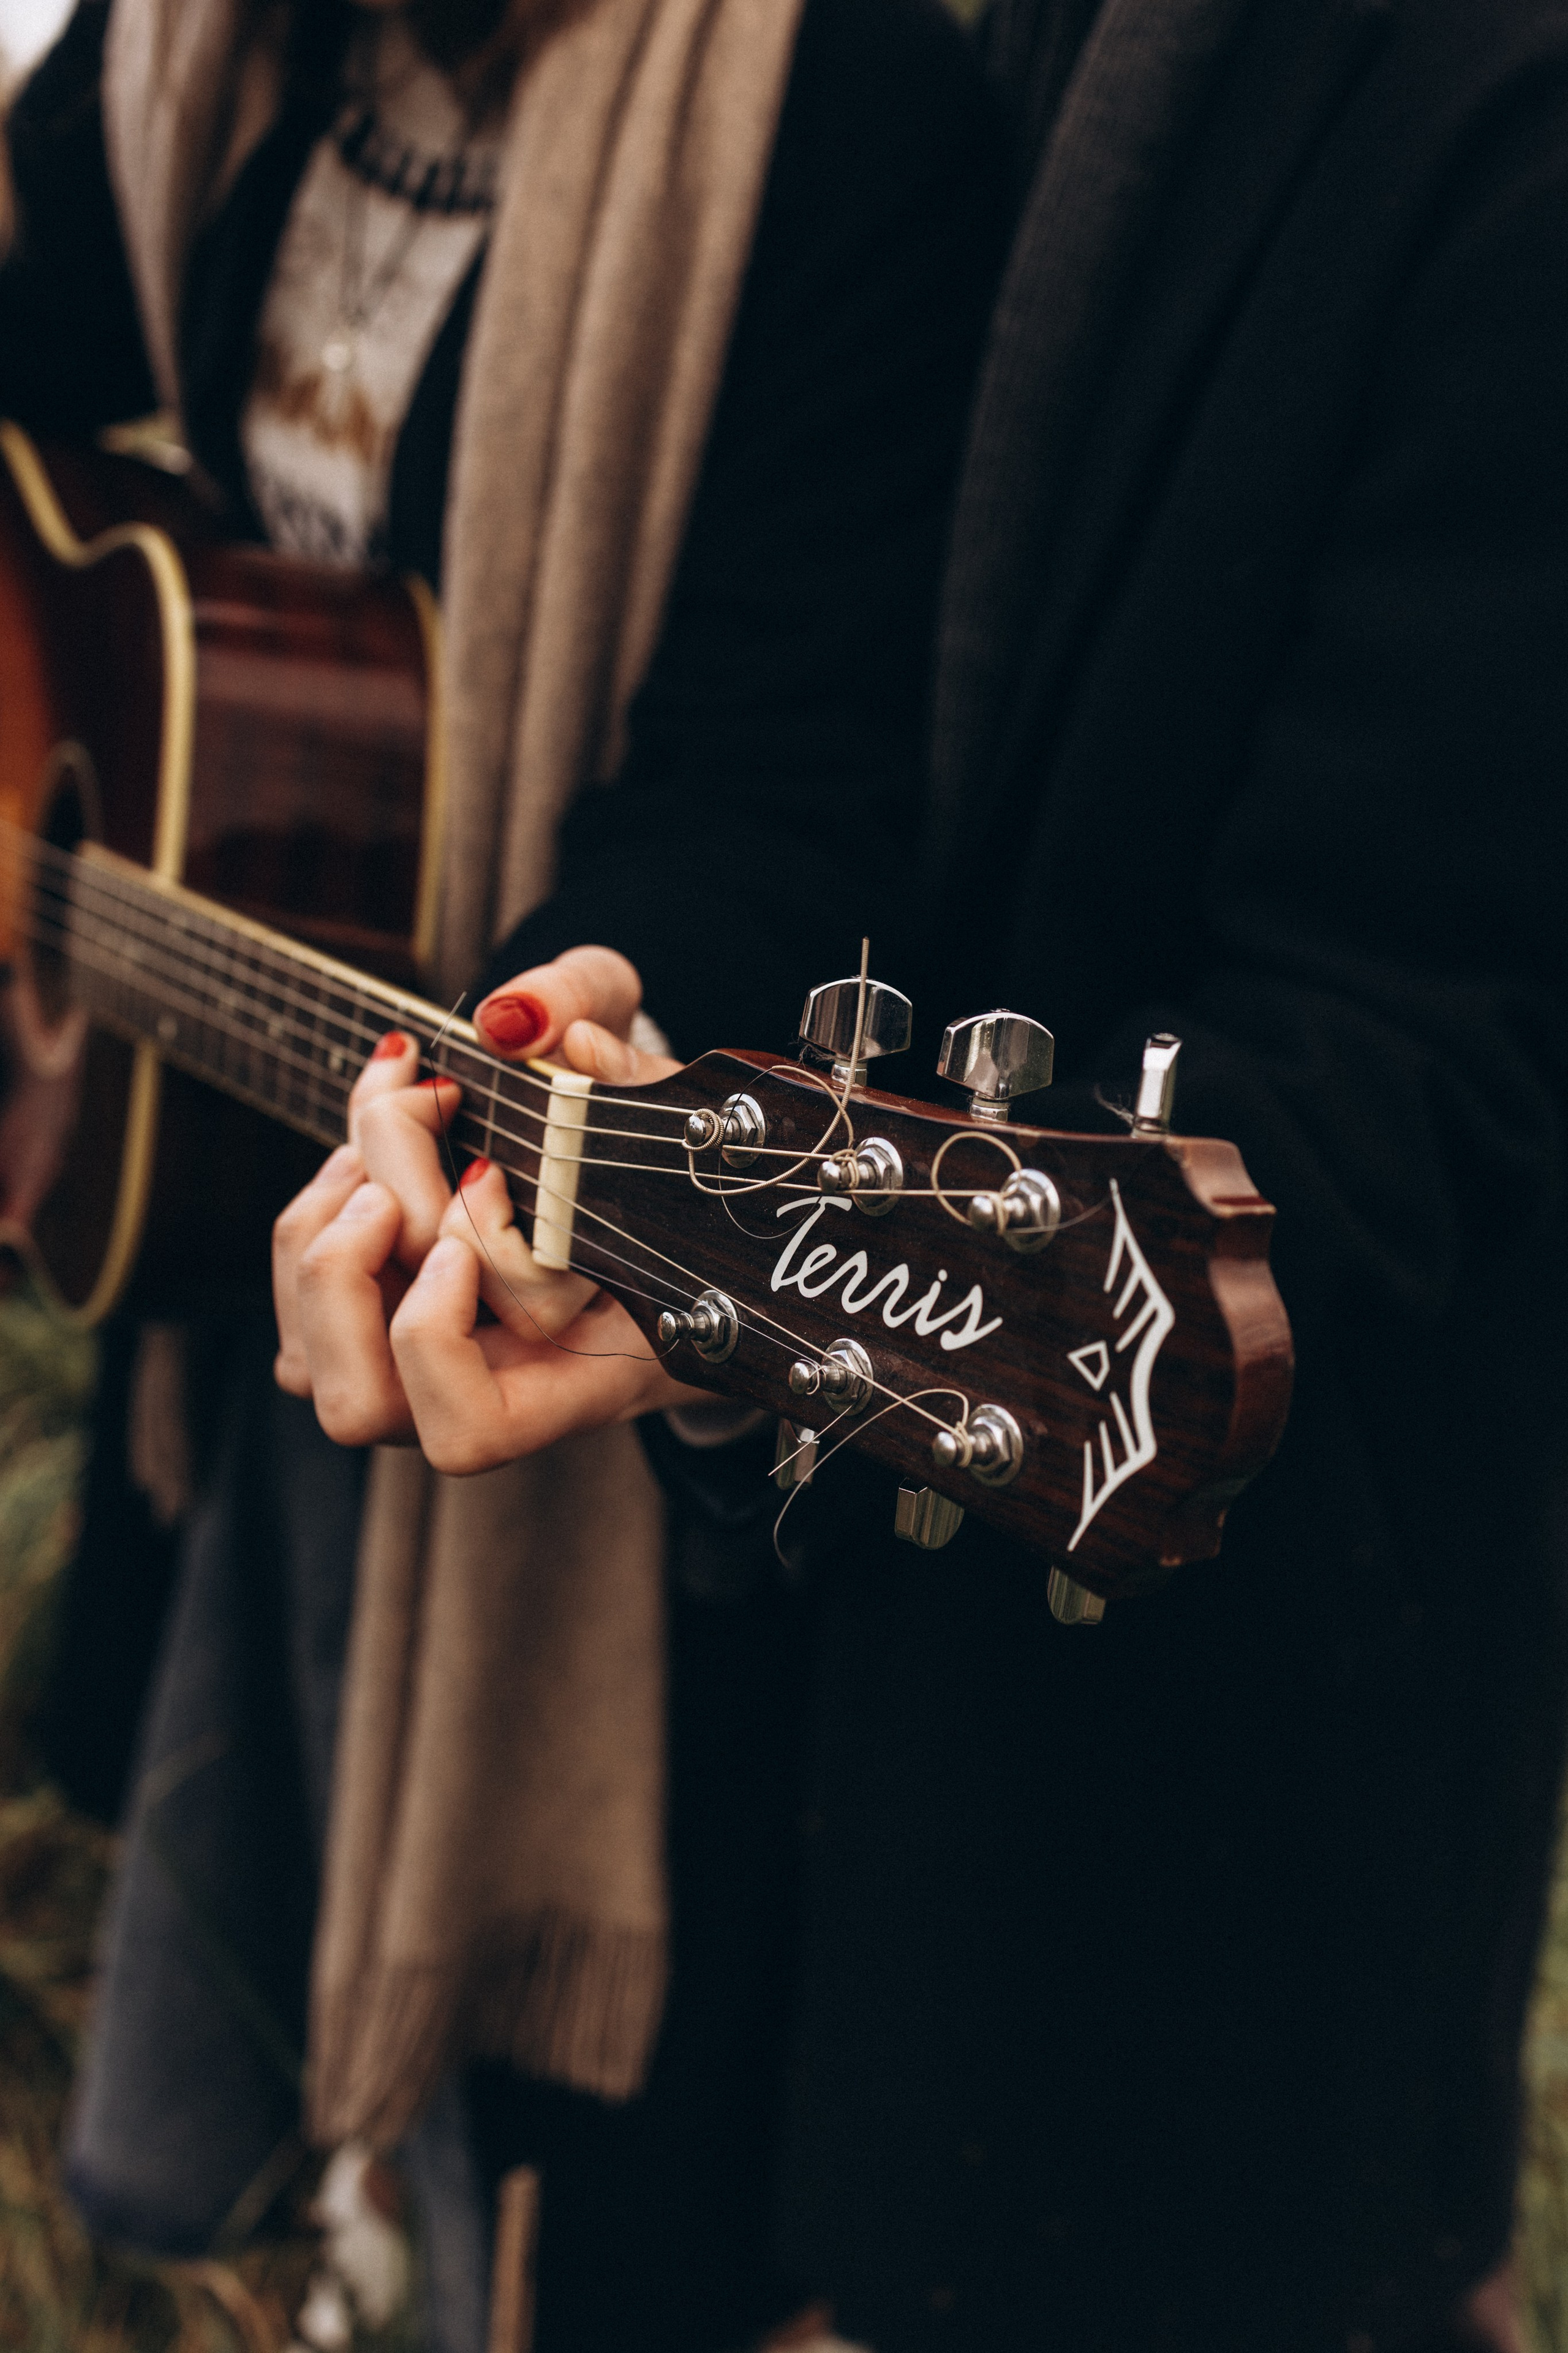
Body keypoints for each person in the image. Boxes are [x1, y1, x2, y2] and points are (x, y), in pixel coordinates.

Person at [276, 0, 1568, 2345]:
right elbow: (804, 725)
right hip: (758, 1692)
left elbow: (1422, 1039)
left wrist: (798, 1266)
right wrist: (632, 1052)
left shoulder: (1497, 111)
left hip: (1212, 1763)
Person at [0, 1, 1011, 2346]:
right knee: (278, 1972)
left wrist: (602, 1010)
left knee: (559, 2205)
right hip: (241, 1259)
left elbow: (786, 765)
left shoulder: (840, 115)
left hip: (548, 1324)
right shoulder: (199, 55)